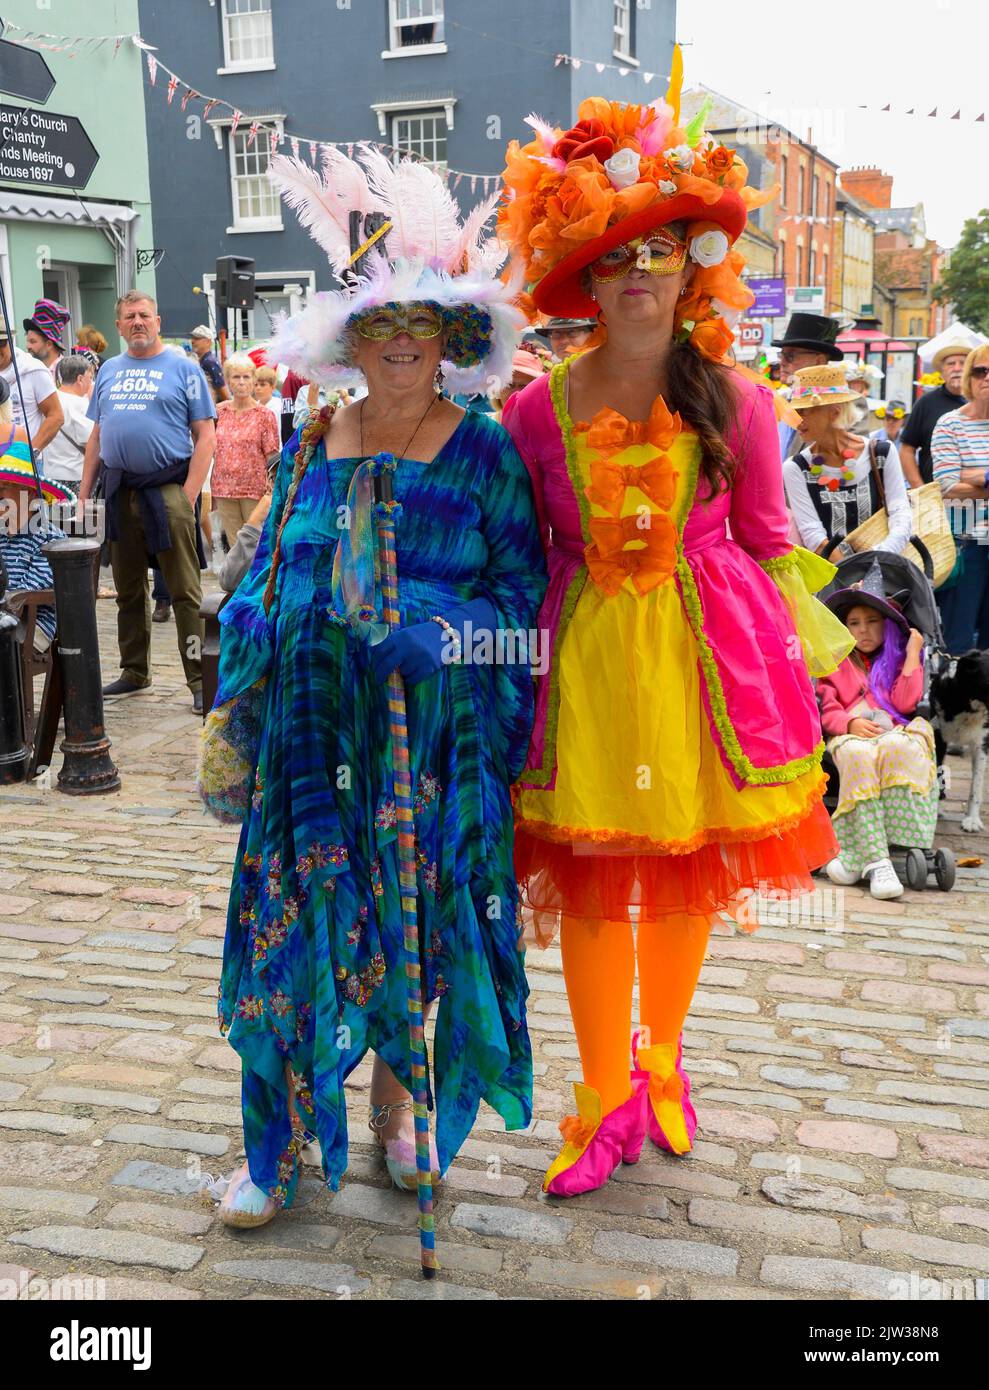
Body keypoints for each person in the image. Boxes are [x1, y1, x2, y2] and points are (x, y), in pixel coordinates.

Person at [497, 78, 853, 1196]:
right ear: (585, 277)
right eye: (613, 256)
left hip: (704, 663)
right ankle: (601, 1090)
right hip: (584, 671)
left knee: (684, 874)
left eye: (657, 254)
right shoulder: (531, 410)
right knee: (599, 875)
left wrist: (813, 668)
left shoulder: (739, 401)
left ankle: (663, 1065)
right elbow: (519, 554)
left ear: (690, 266)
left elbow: (761, 543)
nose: (637, 275)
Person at [199, 145, 545, 1227]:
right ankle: (281, 1142)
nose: (399, 342)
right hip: (309, 751)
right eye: (380, 323)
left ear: (452, 340)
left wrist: (448, 636)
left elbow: (524, 621)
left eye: (421, 324)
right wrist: (258, 637)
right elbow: (256, 579)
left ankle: (397, 1115)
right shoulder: (308, 442)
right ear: (351, 339)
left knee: (413, 932)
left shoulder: (484, 455)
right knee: (292, 928)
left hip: (427, 748)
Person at [77, 291, 216, 713]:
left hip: (168, 490)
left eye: (144, 315)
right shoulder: (109, 371)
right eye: (129, 317)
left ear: (158, 320)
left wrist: (189, 495)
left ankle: (198, 678)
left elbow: (206, 435)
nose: (137, 322)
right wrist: (84, 495)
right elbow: (97, 437)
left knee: (184, 591)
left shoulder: (184, 368)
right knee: (127, 589)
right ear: (118, 326)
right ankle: (134, 670)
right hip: (120, 491)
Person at [818, 560, 935, 901]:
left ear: (887, 626)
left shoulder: (899, 658)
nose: (863, 630)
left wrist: (913, 652)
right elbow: (828, 708)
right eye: (854, 623)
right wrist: (849, 723)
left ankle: (857, 855)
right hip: (852, 736)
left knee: (902, 748)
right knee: (856, 752)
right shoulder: (834, 664)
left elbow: (907, 701)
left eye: (872, 622)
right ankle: (876, 858)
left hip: (891, 730)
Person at [784, 364, 912, 561]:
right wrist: (851, 573)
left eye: (803, 411)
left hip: (887, 571)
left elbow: (900, 514)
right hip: (832, 582)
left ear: (834, 412)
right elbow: (812, 534)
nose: (795, 418)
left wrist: (878, 561)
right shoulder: (795, 468)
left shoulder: (882, 453)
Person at [0, 379, 72, 654]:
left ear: (30, 494)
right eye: (1, 488)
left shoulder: (49, 537)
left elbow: (32, 590)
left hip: (32, 627)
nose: (2, 495)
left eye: (9, 488)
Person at [931, 343, 989, 654]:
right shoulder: (950, 424)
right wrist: (985, 478)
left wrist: (971, 475)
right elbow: (946, 485)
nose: (987, 378)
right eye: (981, 371)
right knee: (959, 640)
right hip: (965, 542)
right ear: (969, 377)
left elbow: (957, 479)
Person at [212, 354, 280, 546]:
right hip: (224, 489)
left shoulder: (264, 415)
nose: (241, 382)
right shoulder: (219, 412)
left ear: (253, 380)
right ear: (228, 381)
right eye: (236, 377)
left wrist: (273, 489)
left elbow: (273, 454)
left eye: (246, 377)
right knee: (235, 548)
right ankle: (238, 578)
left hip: (255, 489)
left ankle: (257, 578)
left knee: (256, 545)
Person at [772, 312, 844, 459]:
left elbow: (848, 458)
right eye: (782, 355)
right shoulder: (779, 401)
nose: (782, 362)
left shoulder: (842, 405)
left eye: (790, 356)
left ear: (819, 361)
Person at [898, 342, 970, 486]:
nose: (957, 368)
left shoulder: (983, 403)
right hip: (935, 495)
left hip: (979, 495)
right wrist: (920, 490)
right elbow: (906, 450)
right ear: (942, 372)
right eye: (951, 364)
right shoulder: (926, 403)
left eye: (962, 363)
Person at [0, 324, 64, 459]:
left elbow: (56, 416)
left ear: (11, 341)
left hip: (24, 464)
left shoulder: (32, 369)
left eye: (1, 343)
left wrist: (29, 453)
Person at [43, 356, 96, 488]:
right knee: (90, 509)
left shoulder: (50, 399)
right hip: (77, 475)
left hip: (50, 475)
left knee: (56, 509)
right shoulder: (81, 404)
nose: (91, 382)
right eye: (90, 377)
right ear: (80, 379)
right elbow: (92, 442)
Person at [490, 347, 546, 420]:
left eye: (524, 387)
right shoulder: (480, 426)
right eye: (510, 385)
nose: (515, 393)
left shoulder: (549, 428)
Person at [24, 298, 69, 380]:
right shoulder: (29, 371)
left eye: (33, 341)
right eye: (27, 341)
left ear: (49, 344)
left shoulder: (67, 373)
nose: (27, 346)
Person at [190, 325, 230, 405]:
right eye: (193, 338)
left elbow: (223, 391)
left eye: (197, 338)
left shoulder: (209, 362)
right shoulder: (204, 361)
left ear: (208, 342)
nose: (192, 341)